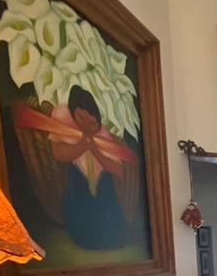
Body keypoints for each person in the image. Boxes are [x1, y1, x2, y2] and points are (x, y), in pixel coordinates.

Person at [12, 85, 139, 250]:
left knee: (108, 218)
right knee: (82, 214)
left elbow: (116, 168)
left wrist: (94, 149)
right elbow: (59, 154)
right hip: (79, 178)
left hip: (102, 182)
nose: (86, 125)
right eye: (80, 118)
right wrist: (82, 145)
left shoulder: (104, 136)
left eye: (91, 121)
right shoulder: (67, 131)